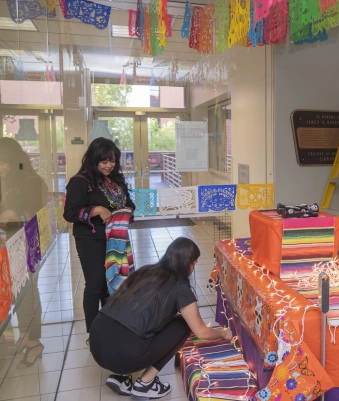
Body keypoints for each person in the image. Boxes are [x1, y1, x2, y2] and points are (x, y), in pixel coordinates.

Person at [89, 237, 233, 399]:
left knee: (134, 326)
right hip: (122, 355)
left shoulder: (145, 270)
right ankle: (145, 384)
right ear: (187, 264)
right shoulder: (180, 287)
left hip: (97, 344)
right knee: (183, 325)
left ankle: (121, 377)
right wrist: (223, 333)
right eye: (194, 264)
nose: (193, 268)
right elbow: (201, 332)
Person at [63, 137, 135, 340]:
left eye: (112, 161)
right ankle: (93, 334)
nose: (109, 165)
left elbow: (129, 202)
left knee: (112, 283)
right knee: (95, 285)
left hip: (116, 239)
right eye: (104, 161)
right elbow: (70, 213)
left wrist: (128, 212)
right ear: (94, 160)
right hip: (90, 240)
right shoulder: (80, 181)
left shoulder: (115, 180)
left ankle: (107, 327)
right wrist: (96, 210)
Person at [0, 137, 48, 367]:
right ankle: (27, 337)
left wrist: (10, 216)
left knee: (27, 292)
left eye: (3, 162)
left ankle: (35, 341)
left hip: (25, 244)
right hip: (10, 245)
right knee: (17, 292)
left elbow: (32, 216)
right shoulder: (10, 182)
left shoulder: (30, 181)